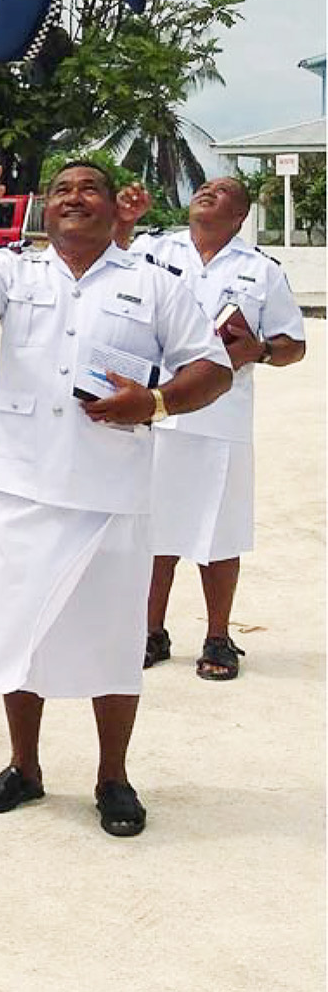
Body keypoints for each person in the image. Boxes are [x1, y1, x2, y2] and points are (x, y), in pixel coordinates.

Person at [0, 161, 231, 837]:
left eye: (88, 187)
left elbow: (211, 368)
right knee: (17, 636)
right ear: (45, 205)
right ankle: (24, 766)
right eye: (61, 188)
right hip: (23, 486)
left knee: (114, 642)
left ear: (109, 206)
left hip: (111, 495)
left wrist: (152, 402)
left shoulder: (154, 282)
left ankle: (113, 776)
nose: (74, 197)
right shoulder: (14, 270)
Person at [140, 178, 307, 680]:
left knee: (220, 532)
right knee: (151, 531)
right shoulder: (152, 251)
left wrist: (257, 349)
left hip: (221, 419)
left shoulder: (260, 272)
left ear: (240, 216)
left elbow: (293, 345)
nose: (209, 191)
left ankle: (218, 637)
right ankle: (150, 632)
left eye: (225, 190)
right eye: (205, 187)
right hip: (156, 410)